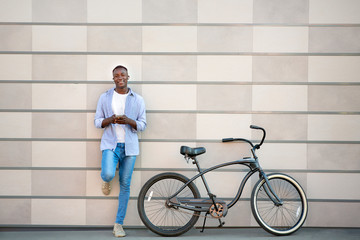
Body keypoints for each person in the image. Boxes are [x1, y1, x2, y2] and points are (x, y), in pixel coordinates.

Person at [94, 65, 146, 237]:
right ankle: (106, 179)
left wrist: (129, 121)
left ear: (128, 76)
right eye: (116, 75)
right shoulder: (105, 97)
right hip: (111, 145)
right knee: (108, 174)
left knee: (125, 185)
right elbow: (97, 122)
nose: (120, 77)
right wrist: (109, 120)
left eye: (122, 74)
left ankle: (118, 224)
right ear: (113, 79)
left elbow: (143, 125)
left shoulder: (137, 99)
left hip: (130, 148)